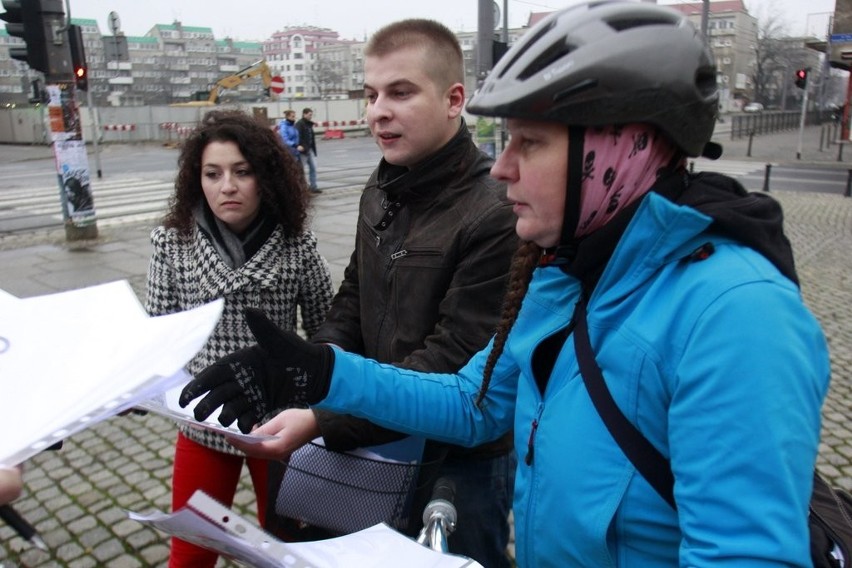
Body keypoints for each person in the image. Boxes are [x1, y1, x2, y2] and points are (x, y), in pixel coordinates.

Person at [182, 2, 831, 566]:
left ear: (622, 148)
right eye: (505, 140)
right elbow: (477, 403)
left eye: (532, 142)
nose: (504, 169)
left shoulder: (735, 316)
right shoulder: (565, 273)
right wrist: (324, 375)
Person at [240, 19, 516, 567]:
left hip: (457, 462)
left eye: (401, 92)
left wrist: (323, 415)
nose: (377, 111)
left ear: (454, 99)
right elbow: (353, 297)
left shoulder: (495, 212)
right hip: (374, 436)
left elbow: (450, 364)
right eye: (370, 95)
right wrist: (308, 376)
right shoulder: (385, 182)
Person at [146, 109, 334, 567]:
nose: (226, 186)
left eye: (241, 172)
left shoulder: (296, 245)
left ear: (264, 177)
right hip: (202, 421)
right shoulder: (170, 244)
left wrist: (314, 408)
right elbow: (158, 337)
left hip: (278, 427)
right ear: (197, 179)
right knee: (190, 554)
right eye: (212, 174)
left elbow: (326, 331)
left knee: (292, 549)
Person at [295, 108, 320, 193]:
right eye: (309, 115)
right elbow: (298, 136)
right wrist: (300, 146)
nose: (310, 116)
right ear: (304, 114)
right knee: (300, 170)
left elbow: (311, 137)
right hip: (303, 151)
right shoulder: (299, 124)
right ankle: (300, 188)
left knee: (313, 168)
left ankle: (313, 187)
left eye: (311, 115)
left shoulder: (308, 124)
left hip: (309, 150)